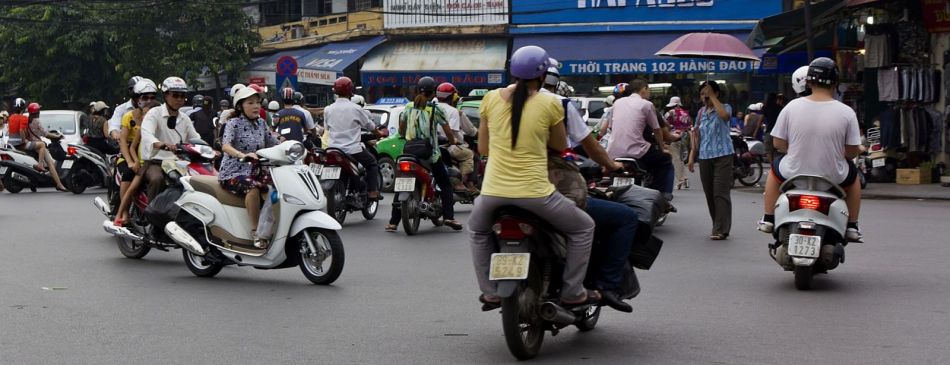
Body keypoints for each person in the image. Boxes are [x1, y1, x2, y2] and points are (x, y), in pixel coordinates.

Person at [469, 46, 597, 310]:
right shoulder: (549, 102)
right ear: (543, 76)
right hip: (537, 195)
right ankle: (573, 292)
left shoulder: (491, 99)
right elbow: (560, 145)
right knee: (584, 228)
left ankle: (490, 291)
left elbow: (483, 149)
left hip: (492, 194)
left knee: (477, 231)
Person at [758, 57, 863, 242]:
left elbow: (778, 144)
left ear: (808, 81)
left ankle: (768, 218)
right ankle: (852, 225)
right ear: (836, 82)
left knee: (774, 171)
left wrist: (798, 149)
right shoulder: (847, 112)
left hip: (794, 174)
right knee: (854, 178)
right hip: (833, 178)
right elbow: (852, 152)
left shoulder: (791, 107)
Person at [385, 76, 463, 232]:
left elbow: (401, 130)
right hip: (430, 154)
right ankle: (449, 217)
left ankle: (393, 222)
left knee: (402, 185)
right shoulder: (435, 109)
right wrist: (453, 141)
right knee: (446, 184)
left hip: (408, 152)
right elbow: (448, 132)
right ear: (433, 92)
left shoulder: (407, 107)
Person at [218, 86, 279, 248]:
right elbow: (225, 146)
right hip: (232, 172)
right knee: (253, 188)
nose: (256, 106)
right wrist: (242, 155)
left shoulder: (261, 123)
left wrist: (290, 146)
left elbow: (274, 144)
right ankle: (256, 232)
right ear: (240, 106)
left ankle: (272, 227)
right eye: (250, 103)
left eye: (258, 102)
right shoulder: (233, 123)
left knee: (278, 187)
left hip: (256, 170)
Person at [606, 79, 675, 201]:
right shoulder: (646, 105)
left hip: (614, 151)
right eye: (649, 91)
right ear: (644, 89)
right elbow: (657, 129)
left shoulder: (617, 103)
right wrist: (662, 147)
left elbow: (610, 127)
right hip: (637, 150)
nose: (649, 94)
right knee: (666, 161)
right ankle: (662, 196)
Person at [139, 77, 201, 199]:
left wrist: (208, 149)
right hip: (155, 162)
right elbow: (147, 135)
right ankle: (152, 214)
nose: (179, 99)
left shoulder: (185, 118)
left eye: (182, 96)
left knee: (198, 179)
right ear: (166, 96)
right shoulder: (154, 113)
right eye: (175, 95)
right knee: (157, 179)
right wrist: (161, 144)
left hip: (180, 163)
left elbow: (195, 138)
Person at [687, 80, 734, 240]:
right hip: (705, 157)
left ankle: (720, 229)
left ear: (716, 93)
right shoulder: (700, 113)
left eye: (707, 93)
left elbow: (725, 117)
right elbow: (696, 135)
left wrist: (713, 97)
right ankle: (718, 224)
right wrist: (692, 156)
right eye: (702, 94)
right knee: (709, 193)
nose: (704, 96)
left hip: (723, 155)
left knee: (720, 193)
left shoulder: (725, 107)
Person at [324, 77, 381, 201]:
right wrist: (378, 133)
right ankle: (372, 191)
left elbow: (326, 128)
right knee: (372, 164)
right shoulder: (356, 108)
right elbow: (370, 126)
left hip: (333, 149)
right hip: (353, 150)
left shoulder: (328, 109)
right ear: (351, 91)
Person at [113, 99, 161, 226]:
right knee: (131, 186)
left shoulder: (164, 128)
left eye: (149, 114)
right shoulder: (140, 128)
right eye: (144, 114)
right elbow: (131, 147)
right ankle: (121, 213)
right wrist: (135, 162)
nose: (145, 117)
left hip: (161, 163)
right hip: (144, 164)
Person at [14, 103, 68, 191]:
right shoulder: (37, 121)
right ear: (36, 112)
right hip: (38, 145)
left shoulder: (27, 120)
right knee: (50, 164)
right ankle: (59, 184)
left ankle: (34, 183)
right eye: (38, 110)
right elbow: (45, 134)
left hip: (30, 144)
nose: (39, 112)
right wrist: (57, 136)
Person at [435, 82, 478, 193]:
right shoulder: (454, 111)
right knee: (470, 154)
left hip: (433, 145)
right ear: (453, 97)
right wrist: (453, 141)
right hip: (449, 146)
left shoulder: (431, 107)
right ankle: (463, 182)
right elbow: (451, 132)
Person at [664, 96, 692, 190]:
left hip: (674, 138)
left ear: (676, 105)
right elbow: (689, 126)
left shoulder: (670, 113)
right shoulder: (686, 114)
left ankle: (680, 180)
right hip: (685, 137)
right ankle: (685, 178)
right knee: (680, 159)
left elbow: (665, 126)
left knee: (675, 159)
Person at [108, 76, 144, 140]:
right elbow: (114, 126)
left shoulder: (154, 108)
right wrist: (116, 135)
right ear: (130, 91)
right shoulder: (120, 109)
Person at [762, 92, 784, 162]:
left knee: (768, 150)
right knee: (776, 149)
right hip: (778, 132)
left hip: (769, 131)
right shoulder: (780, 107)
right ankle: (776, 165)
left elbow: (761, 119)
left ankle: (772, 166)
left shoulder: (765, 107)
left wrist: (755, 131)